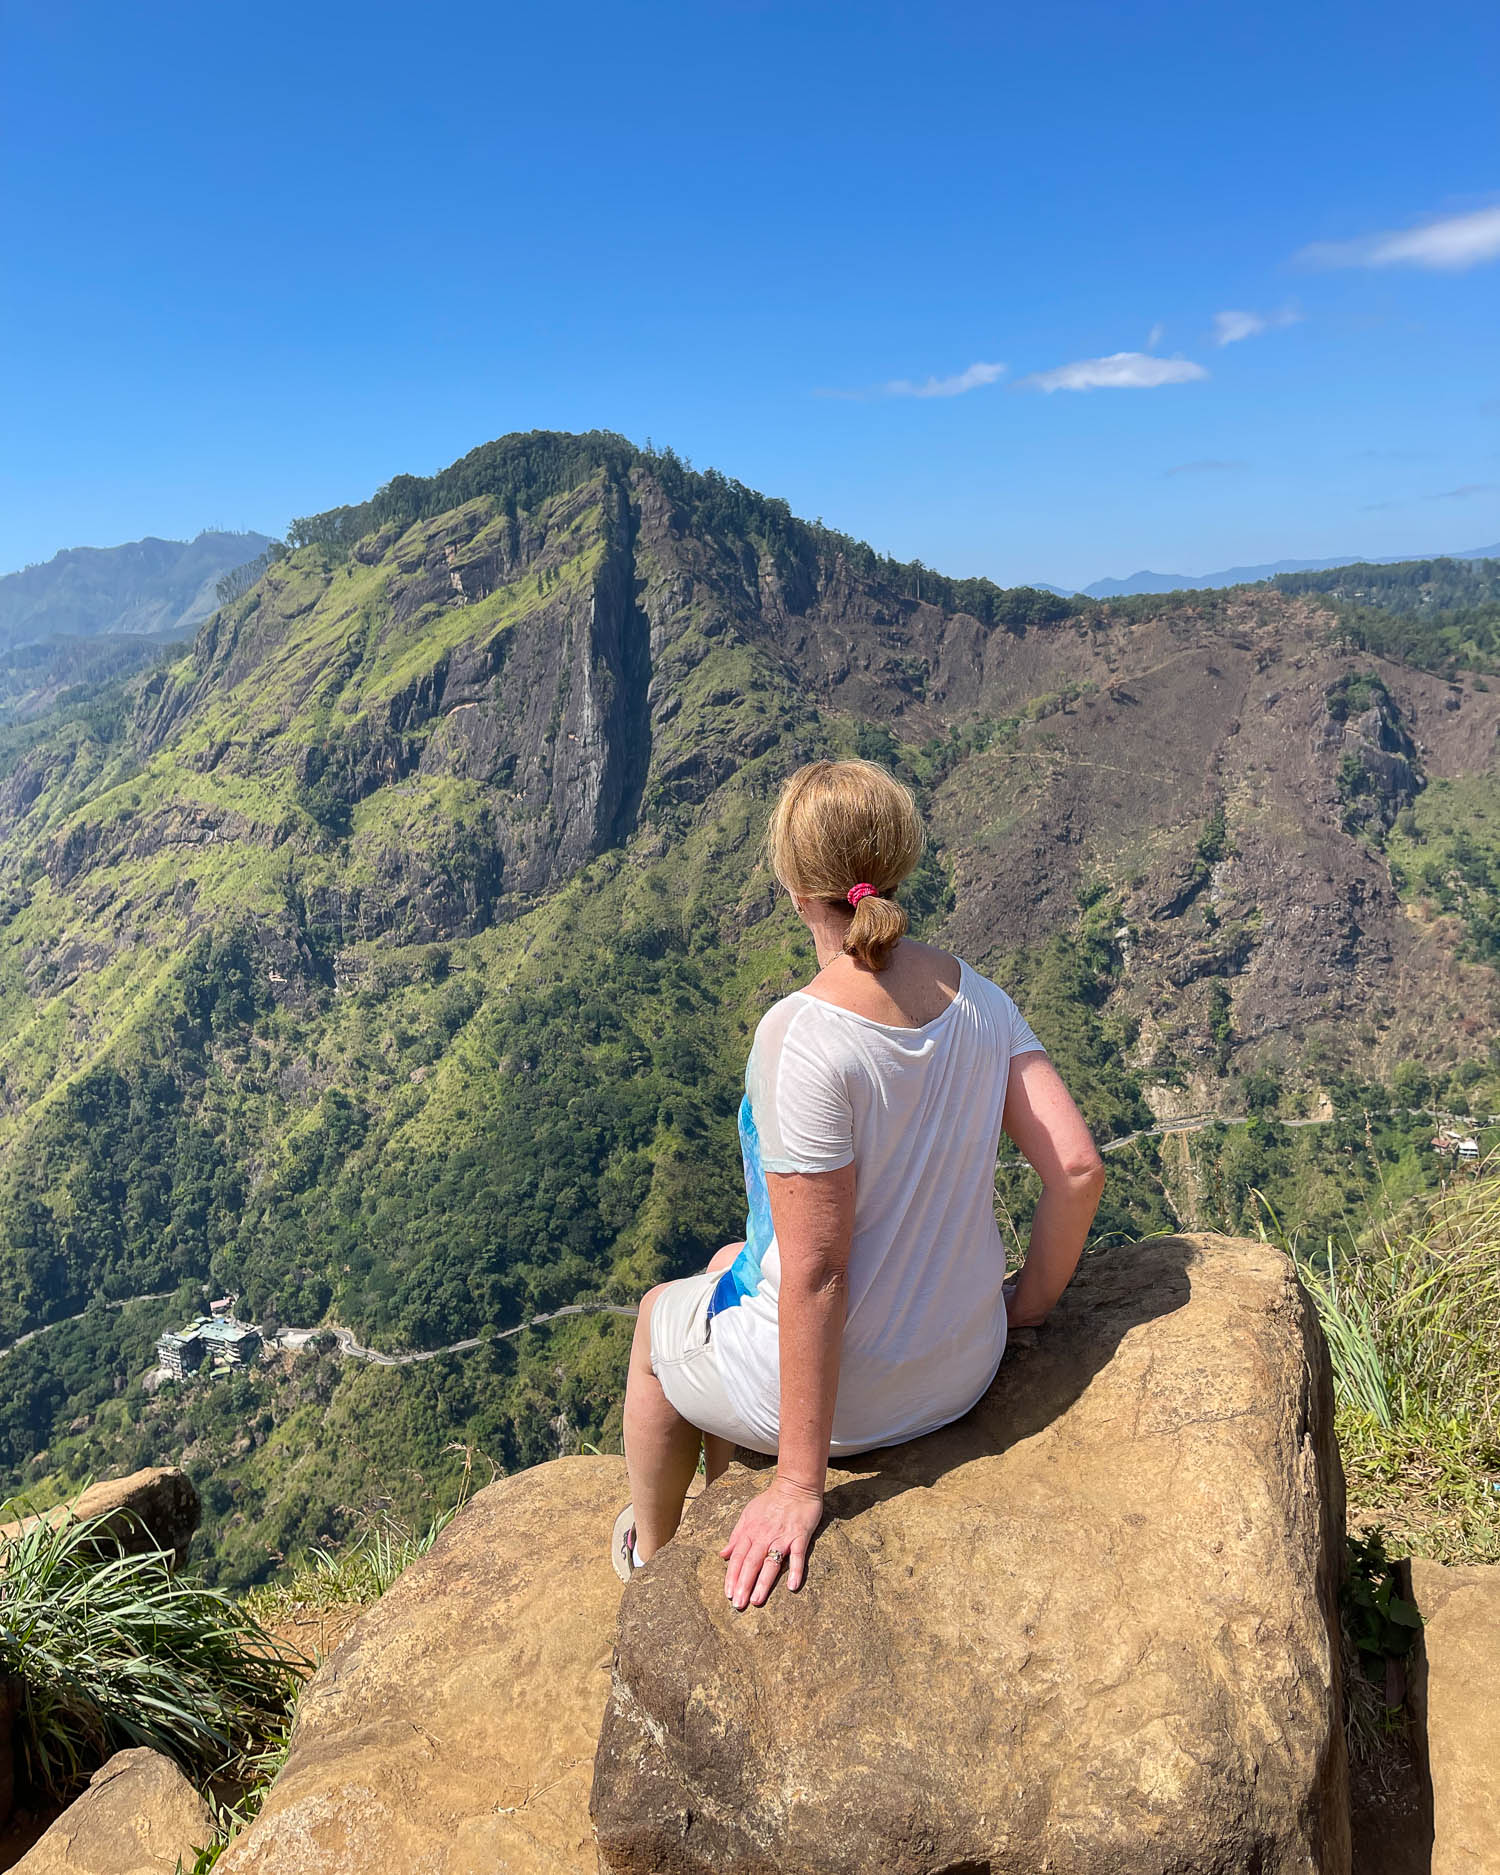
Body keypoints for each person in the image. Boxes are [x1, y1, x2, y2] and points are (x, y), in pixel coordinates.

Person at [615, 759, 1105, 1609]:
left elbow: (818, 1272)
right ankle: (729, 1469)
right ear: (902, 856)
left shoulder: (802, 1036)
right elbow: (1075, 1169)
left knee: (661, 1317)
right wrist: (1021, 1306)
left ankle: (654, 1556)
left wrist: (803, 1486)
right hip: (965, 1366)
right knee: (734, 1256)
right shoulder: (980, 1000)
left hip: (858, 1401)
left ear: (794, 885)